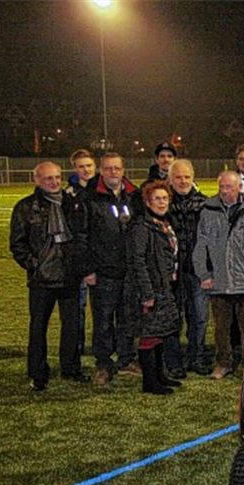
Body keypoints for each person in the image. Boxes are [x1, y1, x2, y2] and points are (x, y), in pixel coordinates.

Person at [9, 161, 88, 390]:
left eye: (56, 177)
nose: (54, 182)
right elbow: (17, 244)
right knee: (38, 327)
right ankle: (38, 373)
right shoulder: (25, 207)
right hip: (42, 279)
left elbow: (81, 236)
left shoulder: (72, 203)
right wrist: (34, 265)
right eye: (48, 178)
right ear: (37, 180)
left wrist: (78, 265)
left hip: (69, 275)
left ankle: (71, 368)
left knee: (72, 326)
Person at [193, 170, 244, 379]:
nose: (225, 191)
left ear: (239, 187)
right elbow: (200, 245)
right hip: (218, 280)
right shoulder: (208, 209)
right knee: (221, 327)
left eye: (229, 187)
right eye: (222, 187)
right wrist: (204, 274)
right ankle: (224, 362)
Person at [81, 152, 140, 385]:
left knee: (127, 318)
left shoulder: (134, 196)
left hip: (128, 271)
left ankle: (126, 359)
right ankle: (104, 364)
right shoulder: (90, 197)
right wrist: (88, 269)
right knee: (103, 321)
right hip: (103, 271)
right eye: (108, 169)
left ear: (123, 170)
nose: (113, 172)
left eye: (116, 168)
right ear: (101, 171)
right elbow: (82, 236)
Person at [125, 181, 182, 395]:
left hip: (164, 285)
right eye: (157, 199)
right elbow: (137, 260)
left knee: (160, 332)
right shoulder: (142, 226)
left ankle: (159, 375)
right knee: (149, 334)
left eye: (164, 198)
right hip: (150, 288)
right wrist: (147, 293)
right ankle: (149, 381)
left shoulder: (164, 223)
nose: (161, 202)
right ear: (147, 202)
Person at [165, 159, 212, 376]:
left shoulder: (206, 204)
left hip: (198, 272)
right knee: (174, 318)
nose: (183, 181)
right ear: (170, 179)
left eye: (186, 177)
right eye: (178, 177)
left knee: (199, 316)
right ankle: (174, 362)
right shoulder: (163, 205)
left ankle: (196, 357)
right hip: (173, 274)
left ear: (193, 178)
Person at [65, 149, 95, 358]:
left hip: (102, 258)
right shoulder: (69, 194)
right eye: (81, 166)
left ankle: (105, 345)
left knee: (103, 307)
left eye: (89, 165)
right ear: (75, 168)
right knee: (79, 306)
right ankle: (77, 347)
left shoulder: (103, 189)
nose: (86, 169)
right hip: (80, 259)